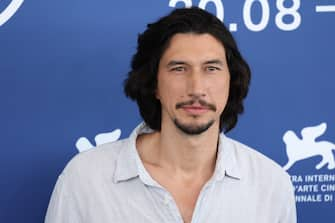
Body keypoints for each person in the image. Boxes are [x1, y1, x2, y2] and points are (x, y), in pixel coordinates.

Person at [45, 7, 296, 223]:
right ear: (153, 83)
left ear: (231, 81)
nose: (196, 88)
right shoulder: (85, 179)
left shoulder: (271, 184)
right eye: (178, 68)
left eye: (211, 68)